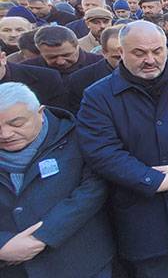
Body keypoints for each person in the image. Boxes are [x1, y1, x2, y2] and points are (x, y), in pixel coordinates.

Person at [77, 20, 168, 277]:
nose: (150, 59)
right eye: (139, 53)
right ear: (121, 53)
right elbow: (101, 151)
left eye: (157, 51)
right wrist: (151, 179)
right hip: (139, 209)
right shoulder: (97, 96)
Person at [0, 82, 114, 278]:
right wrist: (3, 245)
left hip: (80, 262)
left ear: (40, 113)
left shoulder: (77, 138)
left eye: (16, 124)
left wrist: (43, 236)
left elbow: (92, 190)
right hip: (13, 268)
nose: (5, 134)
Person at [64, 26, 122, 114]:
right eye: (117, 58)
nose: (125, 62)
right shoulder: (80, 80)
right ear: (104, 53)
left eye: (136, 54)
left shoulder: (149, 75)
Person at [25, 26, 102, 78]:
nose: (60, 62)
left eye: (66, 55)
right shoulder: (28, 71)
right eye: (52, 57)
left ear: (77, 46)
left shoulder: (100, 64)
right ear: (40, 51)